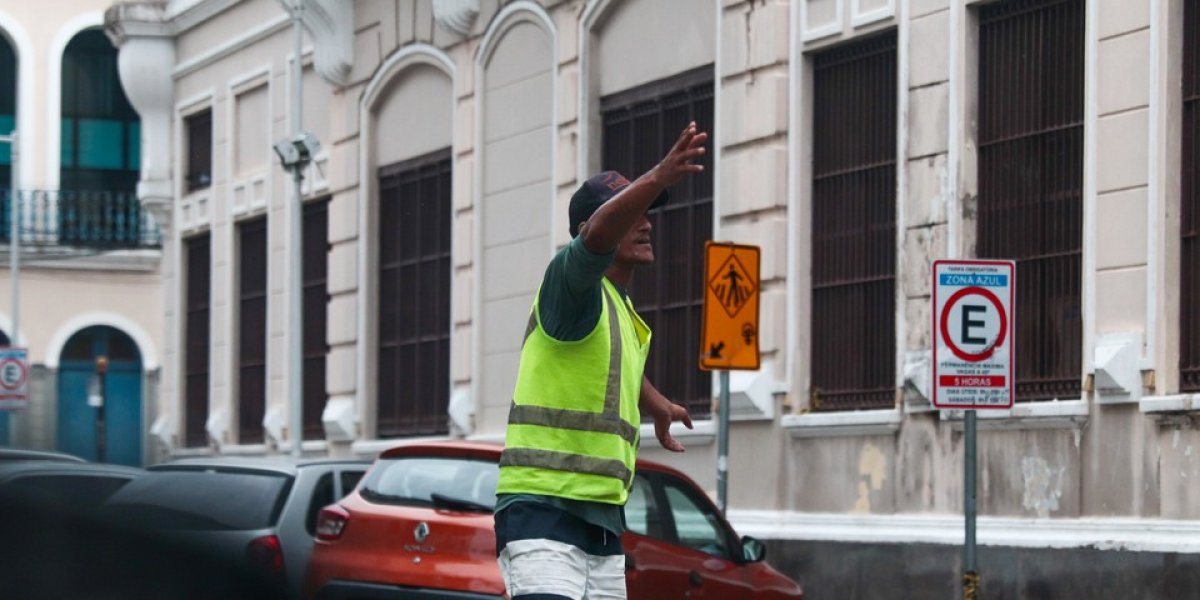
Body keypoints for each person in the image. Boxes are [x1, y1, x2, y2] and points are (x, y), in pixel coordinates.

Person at [493, 121, 708, 600]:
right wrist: (658, 176)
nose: (646, 223)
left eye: (648, 213)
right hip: (544, 512)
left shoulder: (620, 310)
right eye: (632, 213)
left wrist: (656, 404)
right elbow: (594, 239)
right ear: (590, 230)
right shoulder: (570, 287)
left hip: (603, 525)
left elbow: (610, 370)